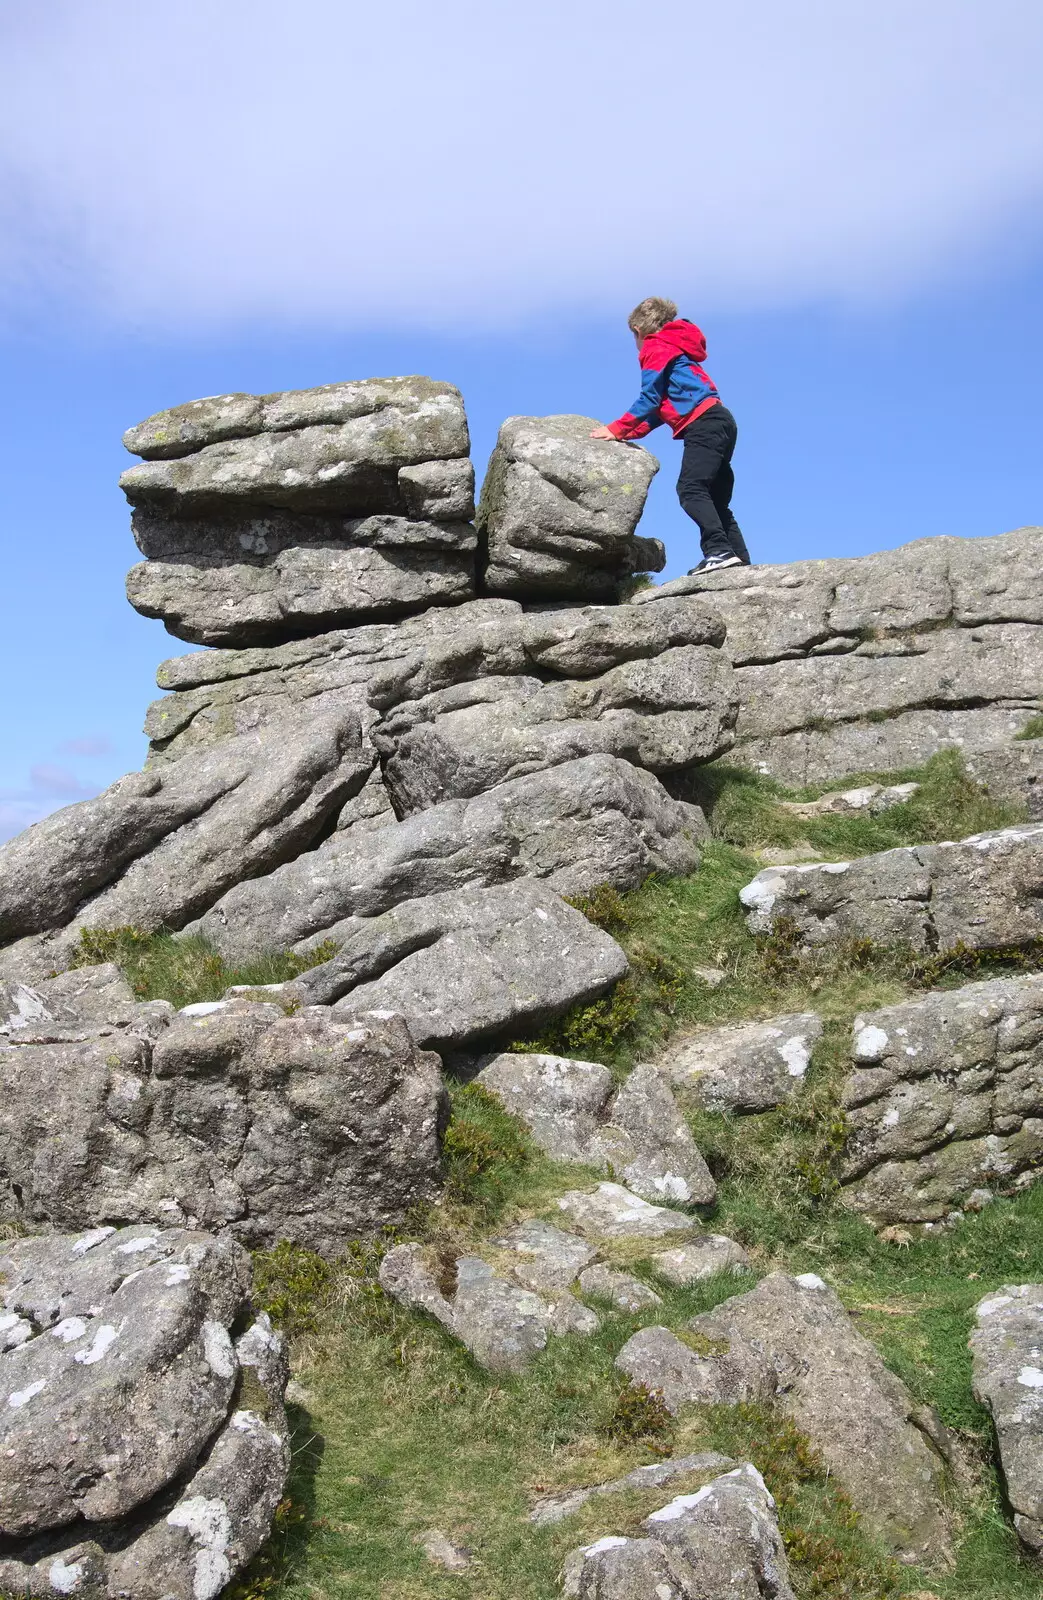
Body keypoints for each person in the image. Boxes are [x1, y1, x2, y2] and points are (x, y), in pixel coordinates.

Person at [590, 296, 750, 572]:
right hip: (721, 420)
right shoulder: (677, 346)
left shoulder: (654, 346)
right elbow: (659, 410)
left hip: (703, 423)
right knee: (715, 498)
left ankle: (719, 551)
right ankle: (739, 561)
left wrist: (614, 428)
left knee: (690, 489)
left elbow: (648, 398)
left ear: (638, 332)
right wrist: (627, 433)